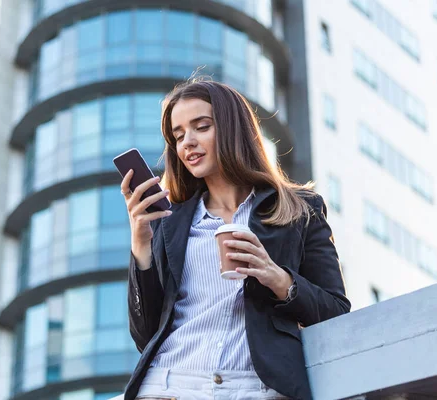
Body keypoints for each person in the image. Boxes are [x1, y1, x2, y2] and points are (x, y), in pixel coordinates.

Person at [118, 80, 350, 400]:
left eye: (201, 127)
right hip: (168, 386)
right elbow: (145, 335)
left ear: (232, 128)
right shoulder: (169, 223)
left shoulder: (300, 210)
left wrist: (278, 278)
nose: (188, 142)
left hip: (255, 389)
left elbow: (335, 312)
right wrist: (140, 245)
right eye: (178, 135)